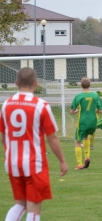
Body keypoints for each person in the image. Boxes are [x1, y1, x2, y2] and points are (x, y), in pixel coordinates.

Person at [0, 67, 68, 221]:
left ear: (16, 83)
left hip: (12, 162)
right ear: (36, 83)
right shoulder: (40, 105)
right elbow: (52, 137)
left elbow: (3, 136)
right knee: (34, 208)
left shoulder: (6, 105)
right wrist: (62, 161)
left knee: (20, 204)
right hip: (33, 163)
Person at [70, 77, 102, 170]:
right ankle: (87, 157)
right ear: (90, 85)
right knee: (86, 137)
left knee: (77, 141)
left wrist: (76, 111)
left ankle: (80, 164)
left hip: (83, 122)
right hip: (93, 122)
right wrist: (94, 111)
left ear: (81, 85)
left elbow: (72, 111)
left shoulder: (78, 96)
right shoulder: (95, 95)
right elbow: (101, 110)